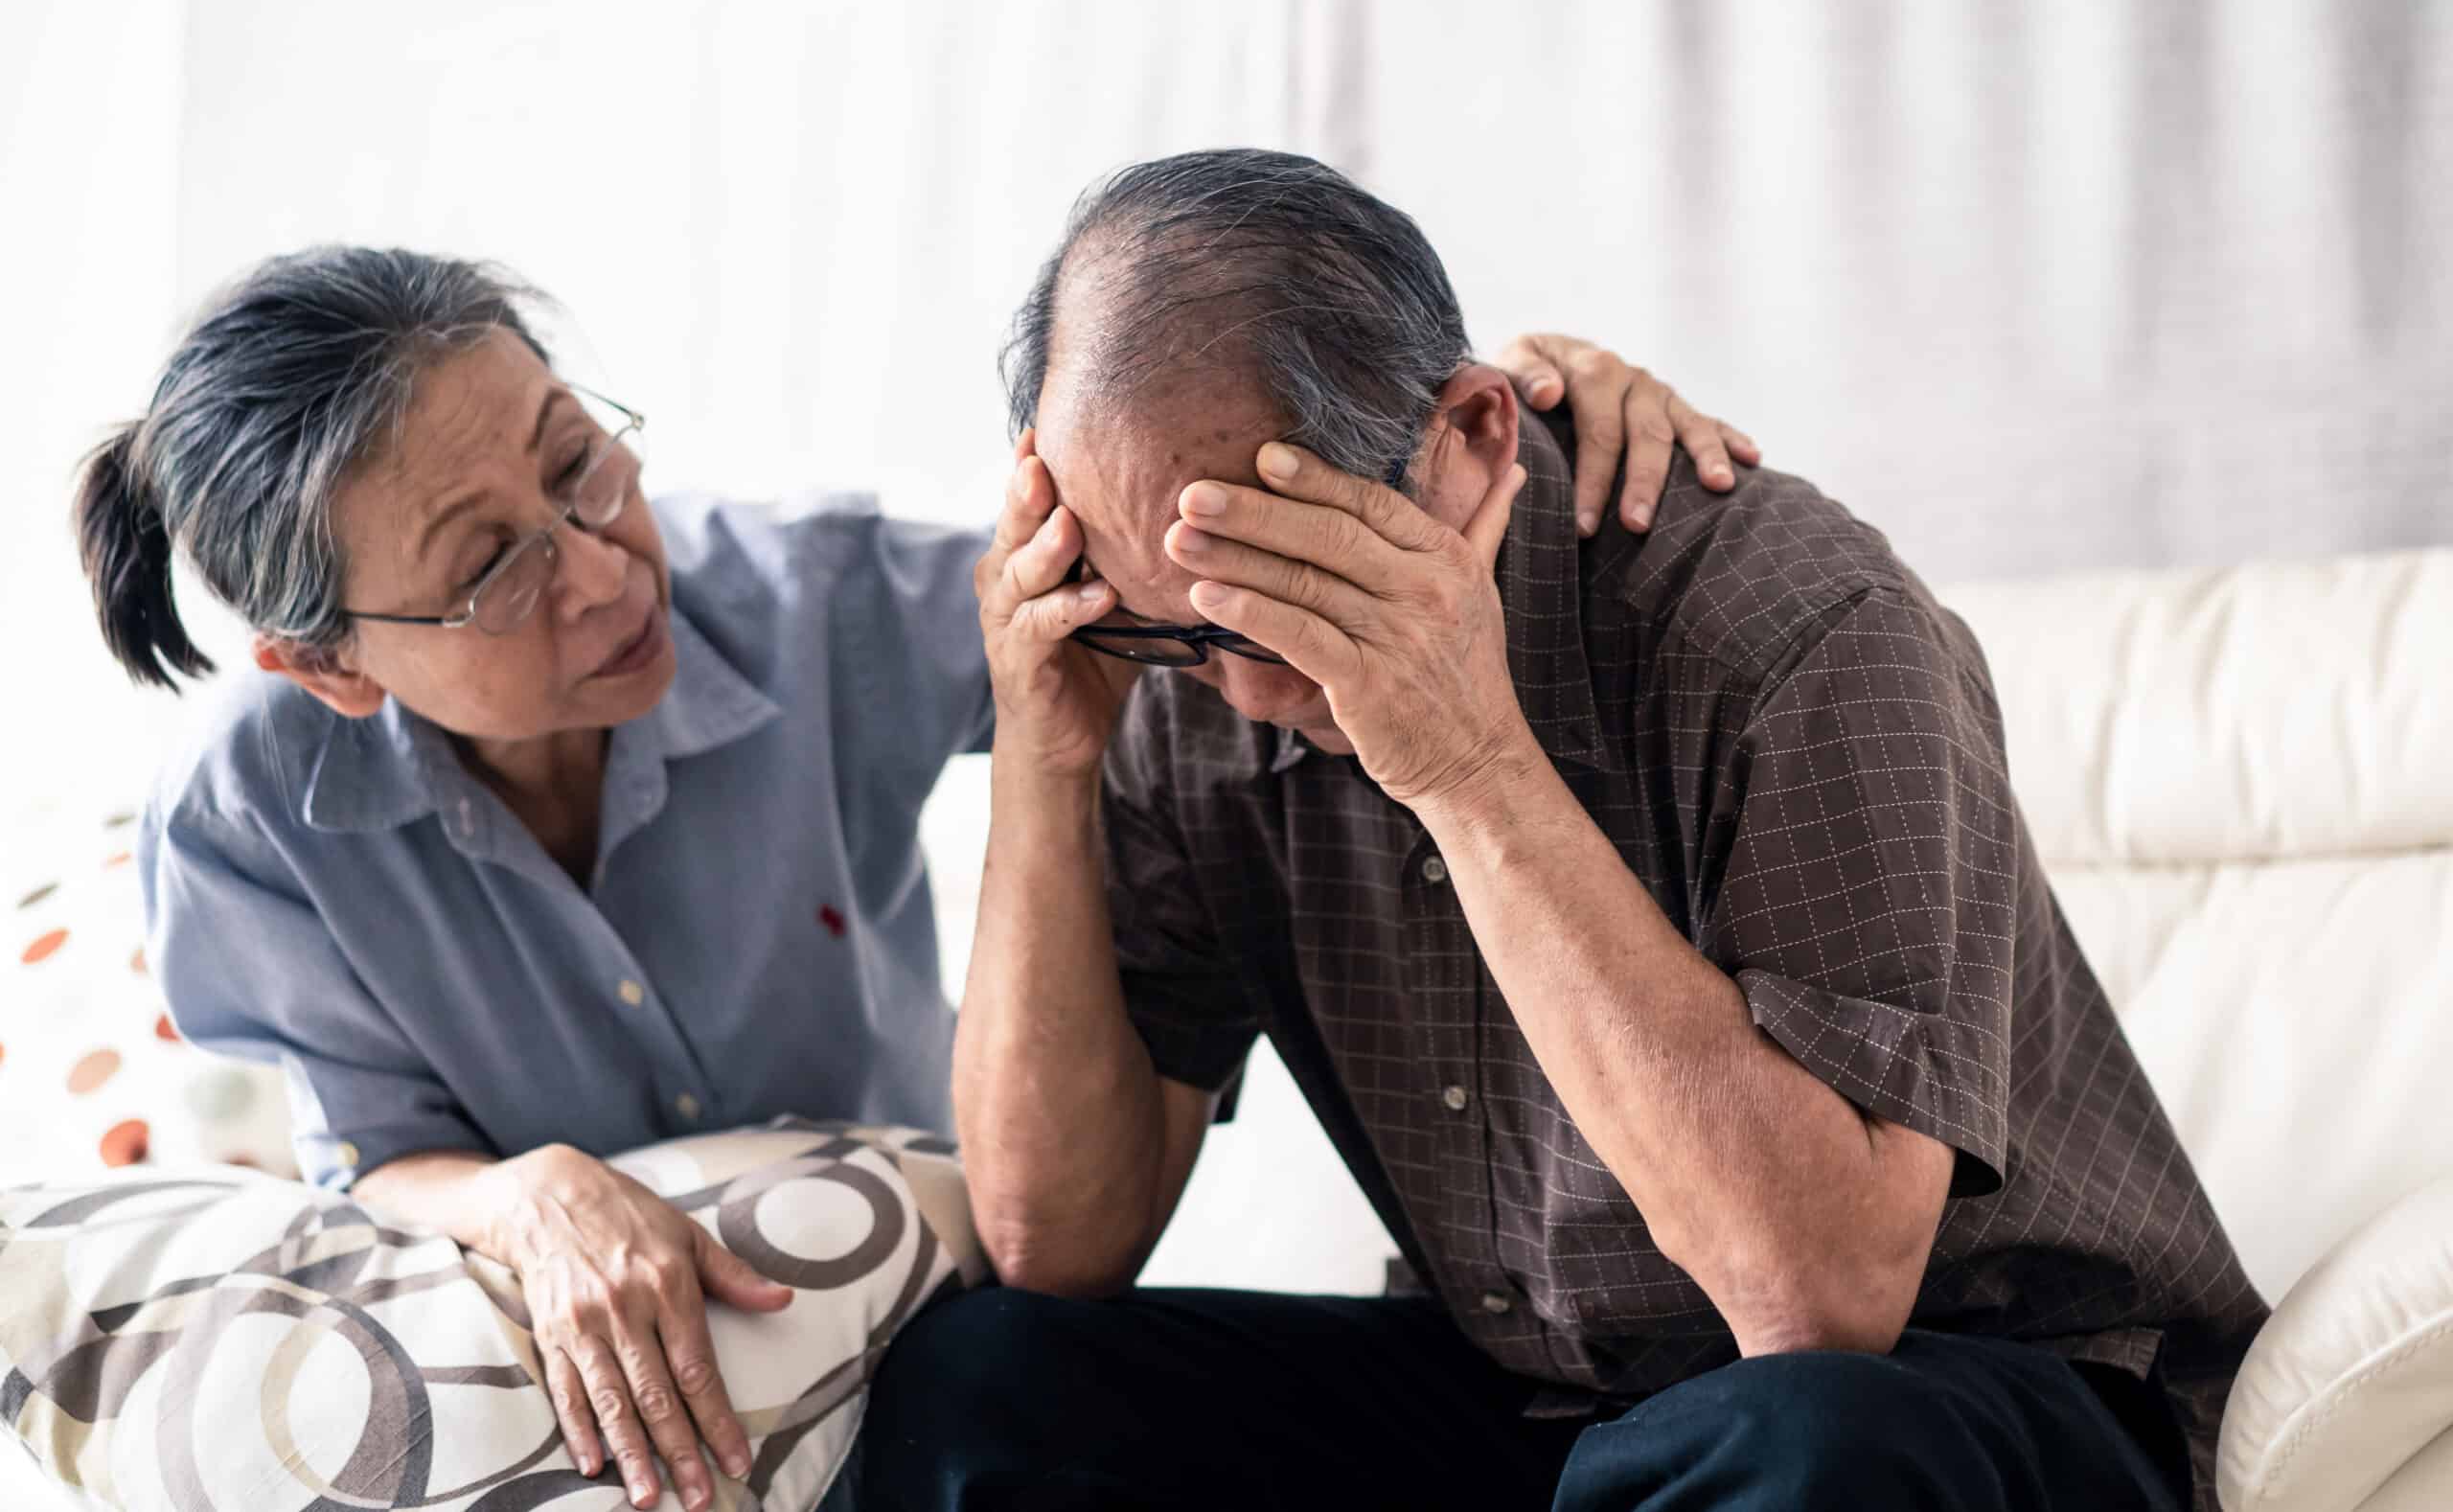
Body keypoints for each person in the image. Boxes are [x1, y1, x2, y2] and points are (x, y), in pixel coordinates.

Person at [73, 243, 1755, 1512]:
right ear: (331, 668)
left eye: (578, 460)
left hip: (896, 1319)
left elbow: (1147, 577)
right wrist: (526, 1193)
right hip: (565, 1370)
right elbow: (375, 1157)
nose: (600, 569)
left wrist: (1493, 412)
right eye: (494, 565)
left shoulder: (805, 604)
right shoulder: (246, 827)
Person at [863, 149, 2270, 1511]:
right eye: (1169, 631)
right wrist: (1045, 759)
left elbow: (1821, 1297)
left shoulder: (1796, 625)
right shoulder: (1183, 671)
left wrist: (1471, 766)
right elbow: (1054, 1243)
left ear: (1470, 441)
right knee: (995, 1385)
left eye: (1280, 600)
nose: (1241, 691)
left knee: (1814, 1450)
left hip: (1964, 1380)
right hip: (1546, 1396)